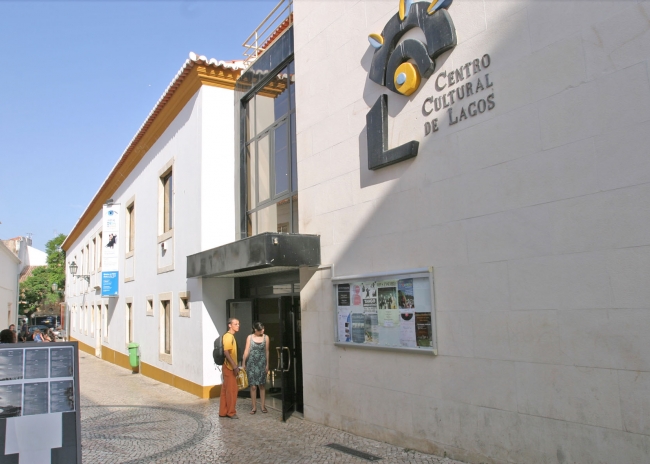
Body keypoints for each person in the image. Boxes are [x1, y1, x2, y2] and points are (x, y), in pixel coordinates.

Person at [242, 322, 270, 414]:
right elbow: (246, 350)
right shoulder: (249, 337)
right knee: (253, 386)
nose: (263, 331)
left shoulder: (266, 337)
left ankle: (263, 406)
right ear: (255, 330)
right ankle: (254, 407)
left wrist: (267, 364)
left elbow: (267, 351)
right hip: (251, 363)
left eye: (263, 329)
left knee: (261, 385)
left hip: (261, 363)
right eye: (260, 330)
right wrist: (244, 362)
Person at [219, 318, 240, 419]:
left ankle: (223, 412)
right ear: (230, 325)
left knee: (225, 390)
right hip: (229, 367)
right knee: (232, 391)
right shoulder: (228, 337)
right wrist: (234, 366)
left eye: (238, 324)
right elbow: (226, 352)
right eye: (235, 324)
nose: (238, 325)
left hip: (227, 367)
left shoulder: (230, 336)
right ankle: (231, 412)